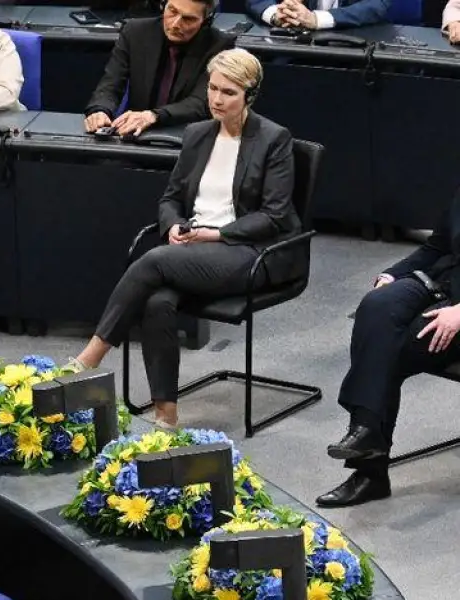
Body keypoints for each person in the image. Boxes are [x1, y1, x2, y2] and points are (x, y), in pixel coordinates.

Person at [74, 49, 305, 430]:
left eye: (228, 92)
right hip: (194, 248)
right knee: (157, 301)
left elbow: (275, 215)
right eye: (212, 88)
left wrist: (216, 233)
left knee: (153, 262)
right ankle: (166, 415)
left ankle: (90, 358)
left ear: (250, 94)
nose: (216, 99)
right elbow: (171, 198)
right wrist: (174, 227)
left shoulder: (273, 139)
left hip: (250, 251)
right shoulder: (198, 134)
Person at [318, 186, 460, 508]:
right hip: (442, 283)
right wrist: (392, 274)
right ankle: (366, 434)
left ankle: (370, 471)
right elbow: (437, 246)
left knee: (387, 347)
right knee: (376, 307)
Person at [83, 0, 236, 137]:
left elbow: (201, 102)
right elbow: (111, 84)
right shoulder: (135, 32)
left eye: (188, 19)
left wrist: (154, 116)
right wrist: (100, 109)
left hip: (187, 138)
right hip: (135, 134)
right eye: (172, 11)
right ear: (163, 5)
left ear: (205, 21)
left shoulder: (219, 46)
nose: (175, 24)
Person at [247, 0, 388, 29]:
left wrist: (316, 19)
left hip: (354, 56)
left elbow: (377, 5)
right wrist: (276, 15)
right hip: (293, 48)